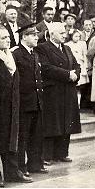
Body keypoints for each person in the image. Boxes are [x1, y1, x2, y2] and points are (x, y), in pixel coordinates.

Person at [0, 25, 33, 187]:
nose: (7, 40)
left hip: (11, 107)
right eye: (3, 38)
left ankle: (12, 172)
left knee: (10, 139)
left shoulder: (8, 56)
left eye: (8, 37)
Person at [36, 22, 81, 164]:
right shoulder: (43, 48)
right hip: (53, 91)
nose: (65, 35)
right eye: (61, 33)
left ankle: (62, 153)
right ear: (52, 34)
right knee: (51, 123)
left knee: (66, 121)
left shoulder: (67, 48)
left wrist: (76, 74)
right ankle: (47, 155)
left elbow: (76, 65)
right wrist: (68, 74)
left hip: (68, 90)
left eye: (65, 32)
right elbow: (46, 68)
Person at [12, 24, 47, 176]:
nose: (36, 37)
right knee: (23, 137)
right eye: (33, 35)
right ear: (24, 37)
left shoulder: (35, 54)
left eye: (36, 35)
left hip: (36, 102)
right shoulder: (17, 54)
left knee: (36, 136)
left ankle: (34, 164)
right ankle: (20, 167)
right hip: (24, 103)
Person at [65, 30, 89, 106]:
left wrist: (85, 67)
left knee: (79, 87)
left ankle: (78, 103)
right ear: (71, 36)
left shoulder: (82, 44)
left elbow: (85, 56)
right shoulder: (67, 44)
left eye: (79, 36)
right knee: (72, 86)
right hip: (71, 66)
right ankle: (71, 103)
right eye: (75, 36)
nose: (77, 38)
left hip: (80, 65)